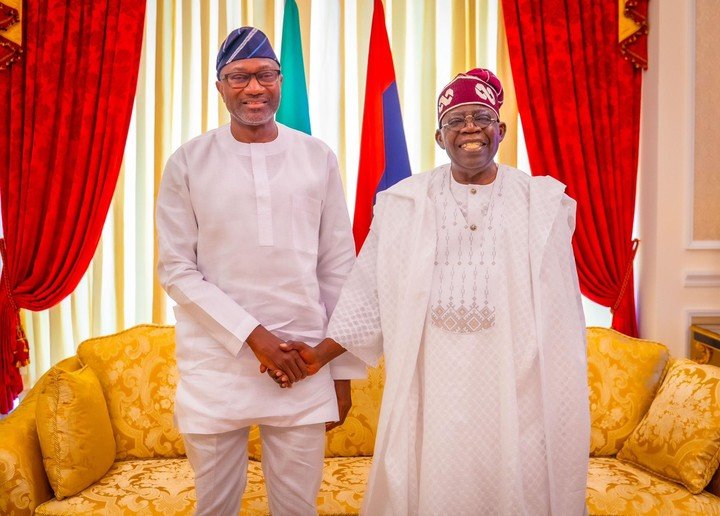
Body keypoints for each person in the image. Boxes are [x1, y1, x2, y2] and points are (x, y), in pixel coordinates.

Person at [276, 68, 590, 515]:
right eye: (454, 120)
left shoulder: (540, 203)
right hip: (432, 378)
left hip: (514, 381)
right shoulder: (405, 202)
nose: (469, 128)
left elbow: (562, 310)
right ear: (440, 139)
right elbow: (368, 293)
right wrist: (315, 358)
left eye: (480, 116)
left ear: (500, 129)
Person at [155, 26, 365, 516]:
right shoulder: (188, 162)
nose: (254, 88)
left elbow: (338, 267)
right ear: (220, 86)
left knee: (297, 508)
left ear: (280, 79)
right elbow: (177, 271)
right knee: (216, 507)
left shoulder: (317, 157)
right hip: (215, 363)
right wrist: (256, 337)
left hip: (303, 360)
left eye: (265, 75)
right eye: (239, 77)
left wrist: (342, 372)